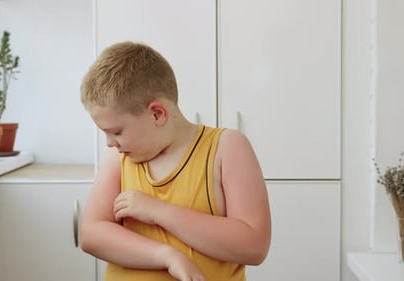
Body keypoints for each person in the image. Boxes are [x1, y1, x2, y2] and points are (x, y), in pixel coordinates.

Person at [79, 41, 271, 281]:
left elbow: (253, 246)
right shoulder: (119, 157)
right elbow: (91, 234)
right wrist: (168, 256)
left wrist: (157, 211)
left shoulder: (226, 148)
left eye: (116, 131)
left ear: (157, 114)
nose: (109, 142)